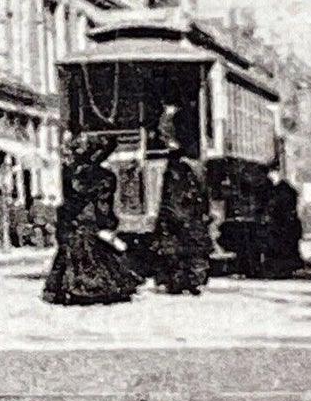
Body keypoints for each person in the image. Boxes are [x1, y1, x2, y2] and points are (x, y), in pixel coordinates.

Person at [43, 136, 140, 306]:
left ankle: (69, 288)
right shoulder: (100, 176)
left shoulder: (72, 171)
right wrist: (108, 221)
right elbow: (101, 203)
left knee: (77, 252)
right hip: (86, 219)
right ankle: (90, 289)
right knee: (90, 253)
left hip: (74, 220)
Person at [150, 107, 213, 295]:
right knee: (188, 241)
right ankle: (189, 278)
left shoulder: (179, 165)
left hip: (178, 207)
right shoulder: (192, 165)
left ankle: (179, 279)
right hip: (186, 209)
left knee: (176, 242)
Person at [263, 168, 303, 279]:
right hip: (285, 224)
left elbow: (276, 208)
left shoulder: (281, 191)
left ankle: (281, 270)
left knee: (281, 248)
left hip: (283, 225)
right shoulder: (284, 190)